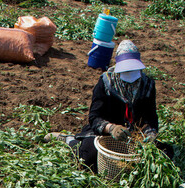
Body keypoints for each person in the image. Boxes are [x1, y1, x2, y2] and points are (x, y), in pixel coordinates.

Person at [47, 39, 171, 172]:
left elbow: (150, 116)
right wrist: (111, 128)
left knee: (165, 154)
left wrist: (149, 135)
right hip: (106, 136)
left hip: (133, 136)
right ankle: (70, 140)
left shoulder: (147, 86)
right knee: (88, 160)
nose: (130, 83)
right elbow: (94, 117)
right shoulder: (106, 83)